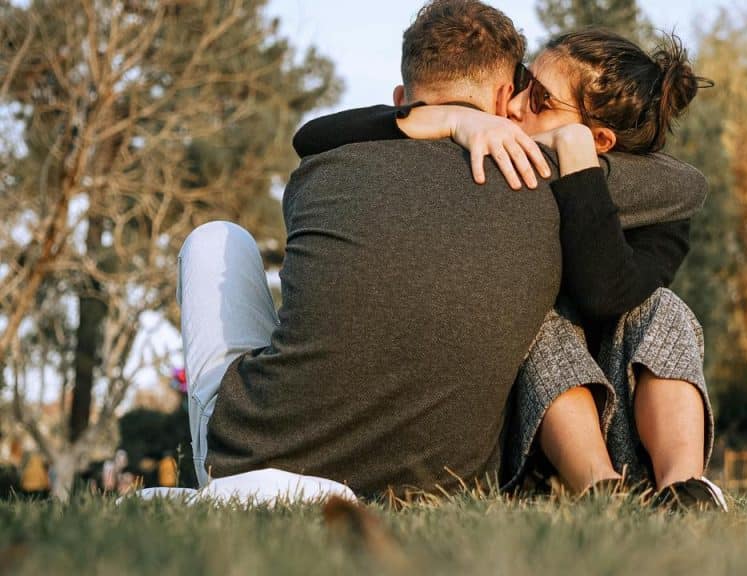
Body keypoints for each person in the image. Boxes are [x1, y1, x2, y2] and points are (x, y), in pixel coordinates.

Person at [292, 26, 722, 508]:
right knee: (541, 319)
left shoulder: (658, 207)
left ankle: (686, 490)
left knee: (664, 310)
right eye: (523, 82)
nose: (513, 105)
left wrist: (578, 163)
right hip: (540, 441)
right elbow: (314, 135)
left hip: (628, 430)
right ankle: (601, 493)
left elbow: (604, 293)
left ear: (599, 138)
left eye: (539, 99)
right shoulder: (494, 157)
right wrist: (452, 119)